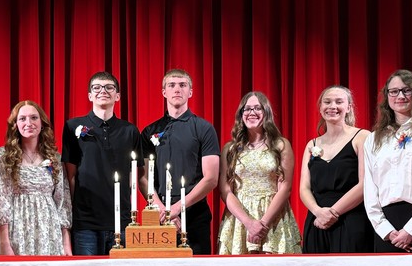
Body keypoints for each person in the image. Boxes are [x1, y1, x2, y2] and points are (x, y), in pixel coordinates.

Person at [140, 69, 220, 255]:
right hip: (159, 214)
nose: (177, 89)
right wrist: (164, 211)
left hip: (195, 214)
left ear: (190, 92)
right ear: (164, 92)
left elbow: (211, 178)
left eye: (182, 85)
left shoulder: (204, 129)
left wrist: (177, 208)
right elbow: (142, 178)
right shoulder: (149, 131)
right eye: (172, 85)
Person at [62, 72, 142, 255]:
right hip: (86, 224)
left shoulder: (130, 131)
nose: (102, 91)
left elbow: (134, 177)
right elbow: (70, 176)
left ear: (118, 95)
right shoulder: (73, 127)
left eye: (109, 87)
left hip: (121, 222)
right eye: (96, 87)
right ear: (90, 95)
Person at [216, 91, 301, 254]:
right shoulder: (230, 149)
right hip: (240, 218)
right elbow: (225, 190)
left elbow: (285, 188)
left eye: (257, 108)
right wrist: (248, 222)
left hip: (273, 217)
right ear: (241, 114)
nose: (252, 113)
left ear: (266, 112)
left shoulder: (281, 145)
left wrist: (263, 224)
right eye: (247, 109)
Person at [363, 70, 412, 253]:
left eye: (407, 90)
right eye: (394, 91)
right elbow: (370, 187)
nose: (400, 96)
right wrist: (385, 230)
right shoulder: (374, 138)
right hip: (386, 227)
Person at [299, 86, 372, 253]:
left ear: (349, 107)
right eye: (327, 102)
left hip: (351, 219)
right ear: (320, 108)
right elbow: (304, 188)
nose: (332, 106)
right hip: (317, 221)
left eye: (339, 102)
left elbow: (364, 184)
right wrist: (318, 212)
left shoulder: (362, 137)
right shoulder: (312, 144)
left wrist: (333, 213)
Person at [0, 100, 72, 255]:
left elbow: (62, 201)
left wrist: (66, 241)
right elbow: (1, 199)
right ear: (15, 124)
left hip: (49, 231)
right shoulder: (3, 156)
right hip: (17, 230)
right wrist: (4, 241)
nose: (28, 123)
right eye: (22, 119)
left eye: (34, 118)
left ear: (42, 123)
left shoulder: (54, 158)